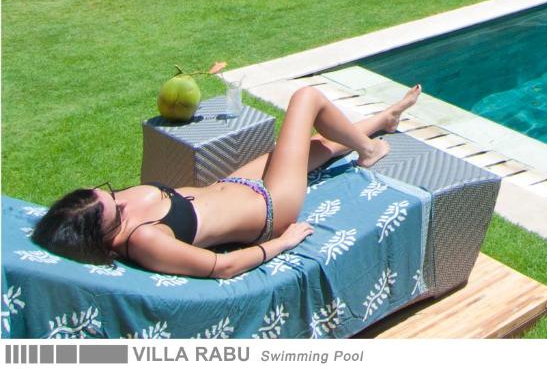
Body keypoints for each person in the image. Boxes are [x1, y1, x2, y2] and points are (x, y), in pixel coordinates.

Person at [32, 84, 422, 277]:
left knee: (315, 145)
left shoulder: (123, 214)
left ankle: (383, 120)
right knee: (306, 98)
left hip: (240, 183)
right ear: (102, 235)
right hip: (271, 206)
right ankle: (369, 151)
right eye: (114, 208)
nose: (121, 200)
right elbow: (221, 266)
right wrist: (281, 244)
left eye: (110, 193)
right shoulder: (145, 240)